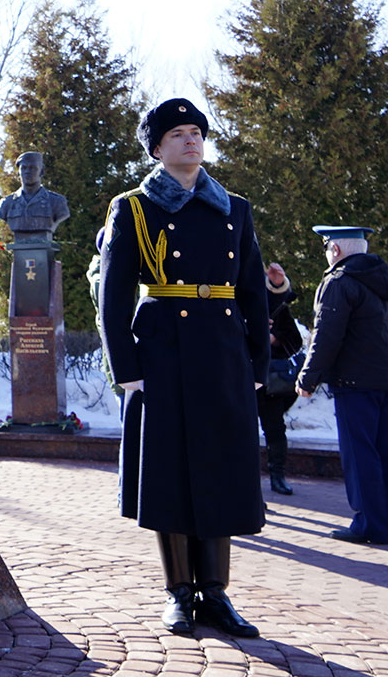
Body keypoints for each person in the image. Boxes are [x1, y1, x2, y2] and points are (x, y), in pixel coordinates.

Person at [98, 98, 269, 638]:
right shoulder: (133, 208)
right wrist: (126, 367)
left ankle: (215, 593)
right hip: (163, 354)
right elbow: (112, 296)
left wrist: (258, 360)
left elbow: (252, 289)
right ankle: (178, 593)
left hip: (222, 354)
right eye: (176, 133)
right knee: (169, 474)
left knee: (221, 469)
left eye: (196, 131)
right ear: (156, 147)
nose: (190, 140)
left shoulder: (234, 207)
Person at [297, 226, 388, 545]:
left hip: (355, 381)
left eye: (326, 248)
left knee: (360, 456)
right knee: (386, 454)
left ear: (336, 250)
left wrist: (308, 377)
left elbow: (327, 335)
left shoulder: (339, 281)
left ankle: (369, 525)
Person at [257, 263, 302, 496]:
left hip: (270, 382)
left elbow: (295, 340)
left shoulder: (278, 306)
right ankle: (247, 483)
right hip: (239, 378)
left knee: (275, 430)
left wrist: (273, 338)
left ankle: (278, 477)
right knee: (239, 432)